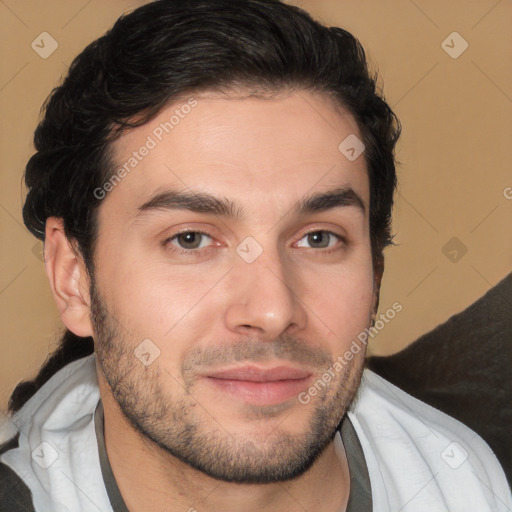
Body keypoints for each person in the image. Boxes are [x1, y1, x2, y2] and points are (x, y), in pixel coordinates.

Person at [0, 1, 510, 510]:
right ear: (74, 278)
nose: (271, 311)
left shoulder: (473, 487)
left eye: (318, 238)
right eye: (191, 239)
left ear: (376, 270)